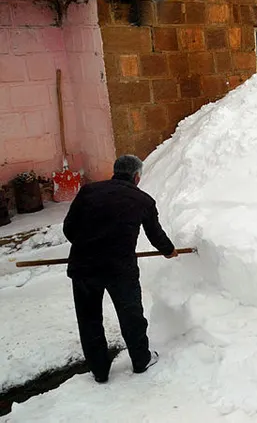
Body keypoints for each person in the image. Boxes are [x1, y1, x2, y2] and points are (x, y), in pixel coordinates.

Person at [63, 155, 178, 383]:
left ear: (115, 171)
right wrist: (169, 250)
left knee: (89, 319)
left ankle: (99, 370)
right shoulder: (143, 200)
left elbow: (69, 228)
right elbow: (155, 234)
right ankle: (141, 359)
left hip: (84, 266)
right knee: (130, 315)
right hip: (120, 269)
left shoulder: (88, 192)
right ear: (136, 176)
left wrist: (89, 245)